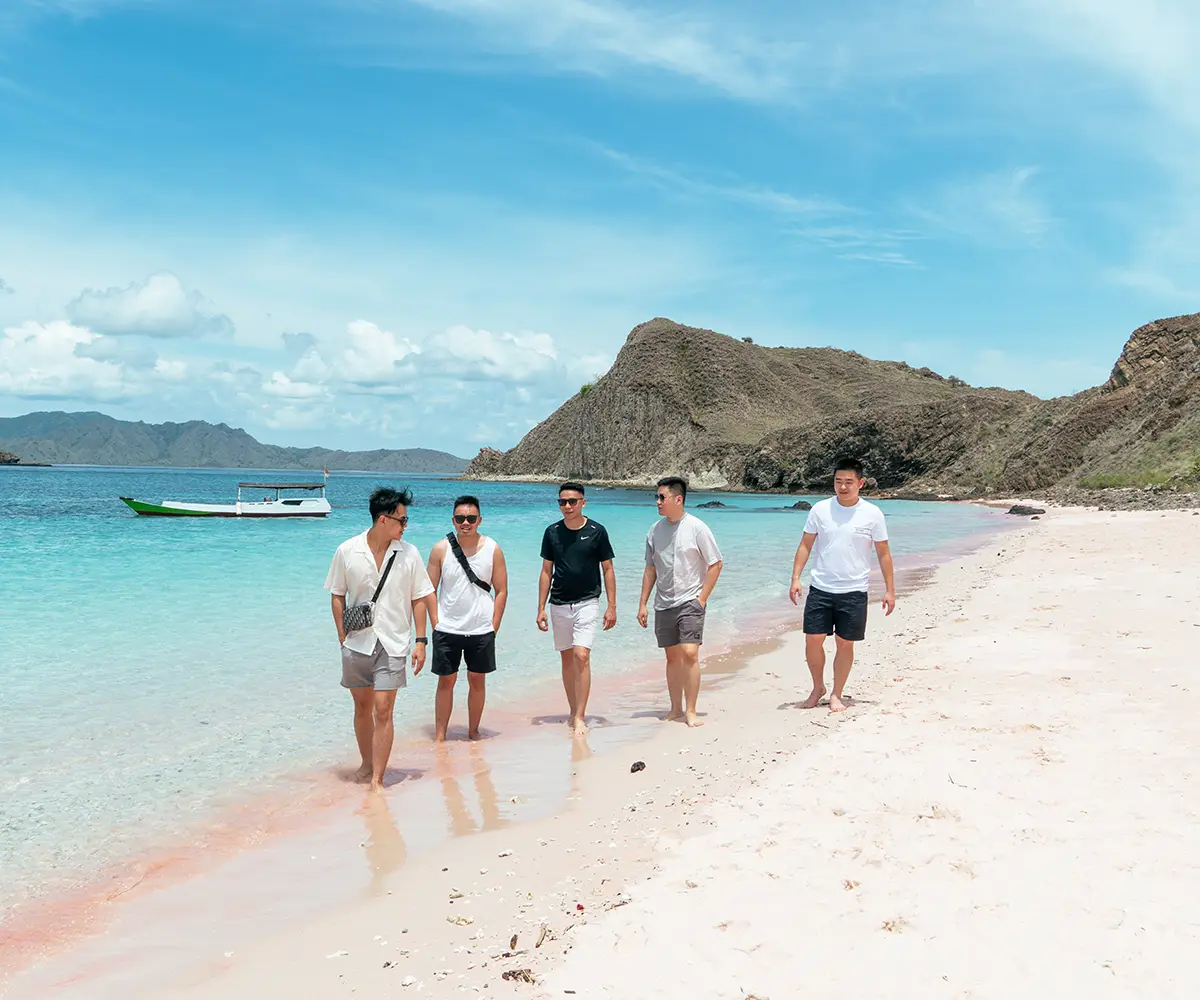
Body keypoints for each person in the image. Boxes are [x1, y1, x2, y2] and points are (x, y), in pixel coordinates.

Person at [325, 486, 435, 791]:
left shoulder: (409, 553)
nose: (406, 525)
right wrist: (341, 634)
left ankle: (377, 779)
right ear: (383, 520)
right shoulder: (347, 551)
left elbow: (420, 598)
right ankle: (366, 764)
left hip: (394, 642)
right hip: (357, 642)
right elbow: (337, 594)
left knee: (384, 709)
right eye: (402, 519)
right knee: (361, 708)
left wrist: (421, 641)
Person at [788, 457, 896, 713]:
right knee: (812, 640)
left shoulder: (872, 514)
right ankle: (818, 687)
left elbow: (883, 553)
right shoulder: (820, 510)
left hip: (854, 590)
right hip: (821, 587)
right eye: (838, 481)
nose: (843, 487)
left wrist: (890, 590)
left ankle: (837, 693)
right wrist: (795, 578)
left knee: (845, 643)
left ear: (860, 483)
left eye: (849, 482)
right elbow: (806, 545)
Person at [637, 477, 723, 728]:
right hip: (663, 603)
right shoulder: (654, 530)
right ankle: (675, 708)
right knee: (672, 657)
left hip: (690, 601)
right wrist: (643, 603)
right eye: (656, 497)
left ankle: (692, 711)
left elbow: (716, 563)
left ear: (678, 499)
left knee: (690, 653)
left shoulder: (697, 527)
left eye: (662, 497)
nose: (658, 502)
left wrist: (702, 599)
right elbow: (650, 569)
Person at [536, 482, 616, 737]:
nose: (567, 506)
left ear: (583, 502)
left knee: (581, 655)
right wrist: (540, 608)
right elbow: (546, 571)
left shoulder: (597, 531)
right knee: (567, 658)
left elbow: (608, 569)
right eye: (562, 502)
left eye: (572, 501)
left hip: (588, 601)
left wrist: (611, 606)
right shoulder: (552, 532)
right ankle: (573, 710)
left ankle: (580, 716)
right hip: (559, 603)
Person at [426, 495, 508, 742]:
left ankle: (474, 731)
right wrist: (435, 623)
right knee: (445, 682)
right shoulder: (441, 548)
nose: (466, 523)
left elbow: (502, 590)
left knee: (477, 681)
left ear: (479, 520)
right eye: (460, 518)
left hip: (481, 629)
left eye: (471, 518)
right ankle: (440, 736)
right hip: (447, 628)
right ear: (453, 520)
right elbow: (428, 589)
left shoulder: (493, 549)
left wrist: (494, 627)